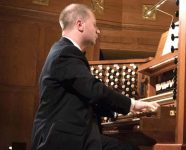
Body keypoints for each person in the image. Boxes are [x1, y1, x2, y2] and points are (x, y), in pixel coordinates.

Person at [31, 3, 159, 150]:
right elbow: (94, 90)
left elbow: (85, 97)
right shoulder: (66, 53)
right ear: (80, 25)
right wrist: (133, 104)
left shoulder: (62, 51)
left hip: (69, 135)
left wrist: (123, 112)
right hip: (63, 140)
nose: (98, 31)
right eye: (95, 24)